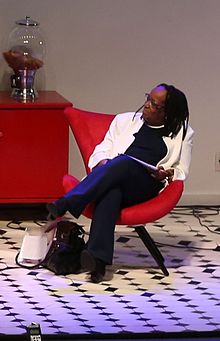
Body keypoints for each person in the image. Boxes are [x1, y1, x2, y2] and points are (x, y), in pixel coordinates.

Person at [46, 83, 194, 283]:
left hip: (146, 185)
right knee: (113, 190)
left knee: (124, 161)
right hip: (115, 177)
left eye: (154, 104)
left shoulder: (183, 133)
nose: (147, 105)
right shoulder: (124, 121)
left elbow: (181, 170)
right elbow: (101, 149)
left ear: (166, 112)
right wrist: (103, 162)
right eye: (148, 99)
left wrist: (167, 173)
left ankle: (69, 202)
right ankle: (97, 260)